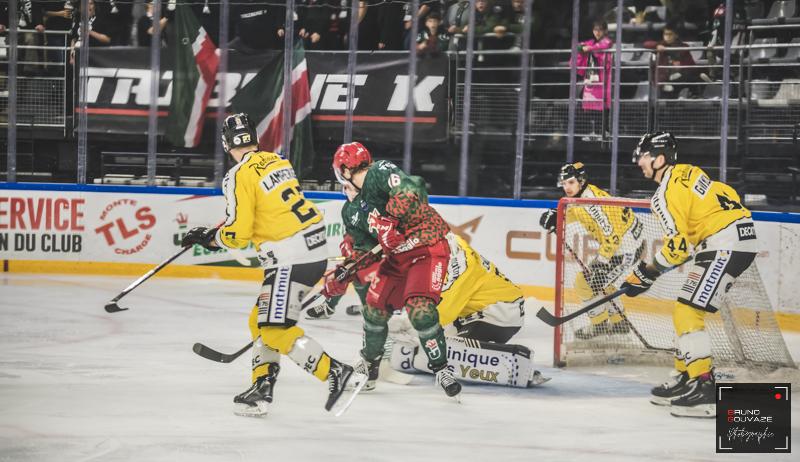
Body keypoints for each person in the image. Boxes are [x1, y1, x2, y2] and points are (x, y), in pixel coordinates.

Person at [181, 113, 366, 417]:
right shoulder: (279, 161)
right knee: (259, 321)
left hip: (289, 257)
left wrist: (209, 238)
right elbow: (271, 208)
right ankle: (261, 387)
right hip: (312, 250)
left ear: (226, 144)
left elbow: (238, 235)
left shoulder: (238, 175)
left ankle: (336, 372)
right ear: (255, 137)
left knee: (274, 329)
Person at [622, 132, 759, 418]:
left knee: (687, 311)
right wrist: (649, 274)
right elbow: (724, 197)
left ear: (659, 159)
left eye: (643, 156)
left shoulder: (664, 194)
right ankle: (686, 375)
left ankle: (704, 386)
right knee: (684, 310)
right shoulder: (689, 172)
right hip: (733, 239)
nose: (639, 162)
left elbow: (679, 249)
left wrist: (646, 273)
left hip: (724, 243)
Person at [323, 142, 462, 399]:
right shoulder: (352, 209)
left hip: (426, 246)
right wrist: (345, 271)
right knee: (373, 310)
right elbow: (365, 250)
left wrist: (390, 221)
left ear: (345, 171)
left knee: (420, 310)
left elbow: (410, 189)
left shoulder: (380, 171)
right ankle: (369, 366)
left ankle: (442, 369)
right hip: (397, 258)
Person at [539, 162, 642, 339]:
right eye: (564, 183)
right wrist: (557, 216)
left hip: (624, 249)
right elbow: (574, 211)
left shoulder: (592, 203)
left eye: (571, 182)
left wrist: (600, 263)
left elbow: (613, 238)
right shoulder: (583, 195)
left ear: (581, 180)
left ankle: (599, 326)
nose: (567, 187)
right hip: (626, 244)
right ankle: (619, 323)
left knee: (584, 284)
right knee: (603, 284)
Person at [305, 182, 377, 319]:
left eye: (355, 189)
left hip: (380, 249)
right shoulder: (347, 208)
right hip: (362, 249)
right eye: (348, 188)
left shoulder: (372, 205)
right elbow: (350, 235)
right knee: (345, 274)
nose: (351, 192)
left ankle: (371, 308)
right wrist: (349, 252)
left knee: (358, 275)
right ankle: (331, 306)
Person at [575, 20, 613, 140]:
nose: (597, 32)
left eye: (600, 30)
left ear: (605, 31)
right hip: (591, 78)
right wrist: (582, 47)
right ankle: (594, 132)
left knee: (603, 105)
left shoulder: (607, 41)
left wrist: (588, 48)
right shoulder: (590, 43)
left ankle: (604, 131)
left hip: (603, 78)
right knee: (591, 105)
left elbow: (603, 46)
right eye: (595, 30)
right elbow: (578, 46)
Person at [643, 23, 699, 98]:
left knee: (692, 77)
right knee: (667, 92)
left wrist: (681, 67)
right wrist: (656, 45)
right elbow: (646, 44)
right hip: (664, 79)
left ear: (676, 35)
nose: (667, 37)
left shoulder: (683, 47)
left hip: (680, 77)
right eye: (665, 34)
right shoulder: (660, 44)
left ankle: (691, 95)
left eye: (670, 34)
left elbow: (691, 66)